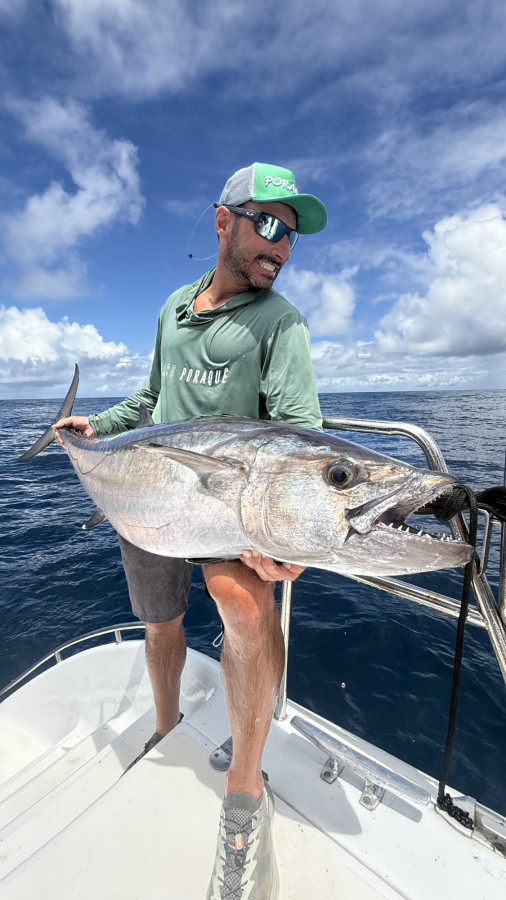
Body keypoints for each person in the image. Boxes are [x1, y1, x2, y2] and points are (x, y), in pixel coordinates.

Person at [54, 162, 327, 900]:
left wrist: (285, 532)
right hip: (149, 493)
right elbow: (151, 396)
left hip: (228, 506)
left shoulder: (281, 323)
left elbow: (299, 431)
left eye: (291, 234)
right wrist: (93, 426)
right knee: (160, 623)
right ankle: (167, 726)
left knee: (247, 606)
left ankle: (244, 795)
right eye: (267, 224)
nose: (281, 246)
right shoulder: (174, 306)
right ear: (223, 220)